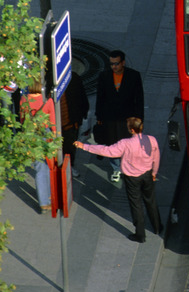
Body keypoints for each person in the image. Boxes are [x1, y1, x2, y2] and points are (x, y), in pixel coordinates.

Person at [75, 118, 161, 243]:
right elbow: (156, 158)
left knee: (136, 204)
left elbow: (107, 151)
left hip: (131, 177)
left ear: (132, 130)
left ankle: (140, 234)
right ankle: (157, 227)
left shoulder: (125, 143)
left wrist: (85, 146)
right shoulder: (152, 140)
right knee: (150, 200)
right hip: (147, 174)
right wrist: (154, 173)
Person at [94, 51, 144, 183]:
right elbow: (100, 98)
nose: (114, 67)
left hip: (127, 118)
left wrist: (139, 119)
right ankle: (116, 168)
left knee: (128, 143)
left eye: (116, 63)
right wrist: (99, 116)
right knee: (113, 143)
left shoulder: (133, 76)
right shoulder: (104, 76)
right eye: (111, 64)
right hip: (110, 118)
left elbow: (139, 99)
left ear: (123, 63)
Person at [21, 82, 57, 212]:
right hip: (45, 134)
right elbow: (52, 121)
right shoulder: (47, 100)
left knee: (39, 167)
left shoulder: (24, 99)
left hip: (31, 134)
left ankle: (44, 200)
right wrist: (55, 136)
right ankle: (46, 201)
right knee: (47, 166)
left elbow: (22, 119)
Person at [61, 70, 89, 177]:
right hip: (56, 121)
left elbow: (81, 95)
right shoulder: (50, 79)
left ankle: (70, 166)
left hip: (71, 121)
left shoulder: (73, 77)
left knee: (70, 146)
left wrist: (83, 112)